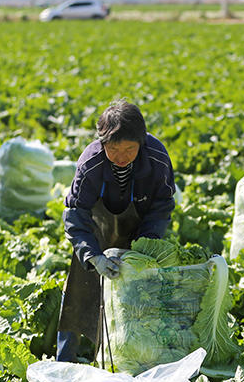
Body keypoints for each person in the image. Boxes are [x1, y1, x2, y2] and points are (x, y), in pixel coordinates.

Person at [57, 100, 177, 362]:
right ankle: (65, 361)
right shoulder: (90, 164)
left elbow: (162, 205)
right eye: (113, 149)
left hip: (140, 228)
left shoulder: (157, 159)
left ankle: (129, 359)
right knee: (80, 288)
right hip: (96, 231)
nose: (121, 157)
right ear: (102, 143)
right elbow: (75, 213)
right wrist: (93, 256)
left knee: (139, 296)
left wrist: (144, 247)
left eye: (129, 149)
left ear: (141, 142)